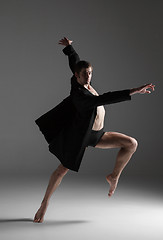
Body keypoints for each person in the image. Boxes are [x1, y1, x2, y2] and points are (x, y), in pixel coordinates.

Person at [33, 37, 155, 223]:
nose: (88, 77)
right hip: (80, 137)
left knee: (131, 144)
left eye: (90, 73)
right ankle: (44, 204)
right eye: (84, 74)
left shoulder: (82, 79)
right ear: (77, 76)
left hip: (97, 135)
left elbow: (75, 62)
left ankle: (113, 177)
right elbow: (104, 98)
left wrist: (69, 48)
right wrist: (134, 91)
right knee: (61, 170)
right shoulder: (80, 95)